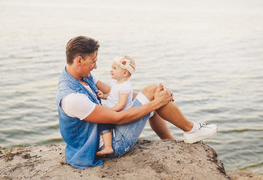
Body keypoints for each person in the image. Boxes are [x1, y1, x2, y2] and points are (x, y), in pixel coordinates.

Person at [56, 36, 217, 169]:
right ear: (78, 60)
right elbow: (117, 118)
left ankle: (173, 140)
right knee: (152, 97)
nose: (96, 66)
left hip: (108, 130)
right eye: (93, 61)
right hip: (111, 143)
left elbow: (114, 93)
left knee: (153, 91)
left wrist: (155, 96)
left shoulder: (84, 76)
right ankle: (192, 129)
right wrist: (155, 102)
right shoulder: (72, 98)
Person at [95, 55, 137, 156]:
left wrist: (109, 112)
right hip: (113, 111)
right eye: (111, 67)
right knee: (105, 125)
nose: (111, 70)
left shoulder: (125, 87)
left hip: (119, 114)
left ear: (125, 73)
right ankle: (107, 142)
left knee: (103, 124)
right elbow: (112, 94)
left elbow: (121, 104)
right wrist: (104, 96)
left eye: (114, 68)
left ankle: (108, 147)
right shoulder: (116, 82)